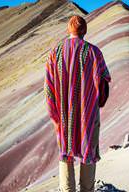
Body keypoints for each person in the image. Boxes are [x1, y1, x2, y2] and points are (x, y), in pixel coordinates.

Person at [44, 14, 111, 192]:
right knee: (88, 149)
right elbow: (104, 82)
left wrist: (55, 115)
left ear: (69, 30)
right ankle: (87, 189)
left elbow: (48, 88)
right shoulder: (94, 52)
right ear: (84, 31)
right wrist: (97, 102)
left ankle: (68, 190)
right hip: (87, 113)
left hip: (63, 114)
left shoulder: (55, 53)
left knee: (65, 152)